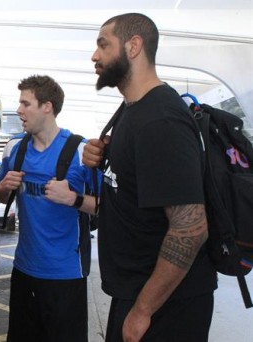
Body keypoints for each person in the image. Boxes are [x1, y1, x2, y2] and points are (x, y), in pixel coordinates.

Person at [82, 13, 217, 342]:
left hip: (166, 304)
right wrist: (102, 156)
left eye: (103, 44)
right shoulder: (133, 109)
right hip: (137, 292)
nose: (94, 55)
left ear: (133, 46)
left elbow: (191, 227)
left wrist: (143, 310)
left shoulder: (160, 120)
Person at [0, 74, 98, 341]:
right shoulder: (14, 148)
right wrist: (4, 188)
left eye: (26, 103)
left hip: (66, 274)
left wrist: (73, 199)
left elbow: (107, 208)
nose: (19, 110)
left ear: (47, 107)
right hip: (23, 270)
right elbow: (3, 198)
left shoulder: (80, 151)